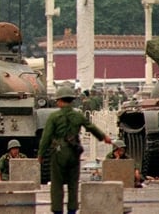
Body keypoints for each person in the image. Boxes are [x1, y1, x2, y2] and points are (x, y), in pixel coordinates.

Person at [38, 86, 111, 214]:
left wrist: (41, 154)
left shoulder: (54, 117)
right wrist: (104, 137)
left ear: (60, 100)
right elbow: (91, 127)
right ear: (71, 100)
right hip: (74, 152)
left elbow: (46, 137)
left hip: (59, 153)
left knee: (56, 184)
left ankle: (58, 211)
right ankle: (72, 210)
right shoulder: (78, 115)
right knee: (73, 183)